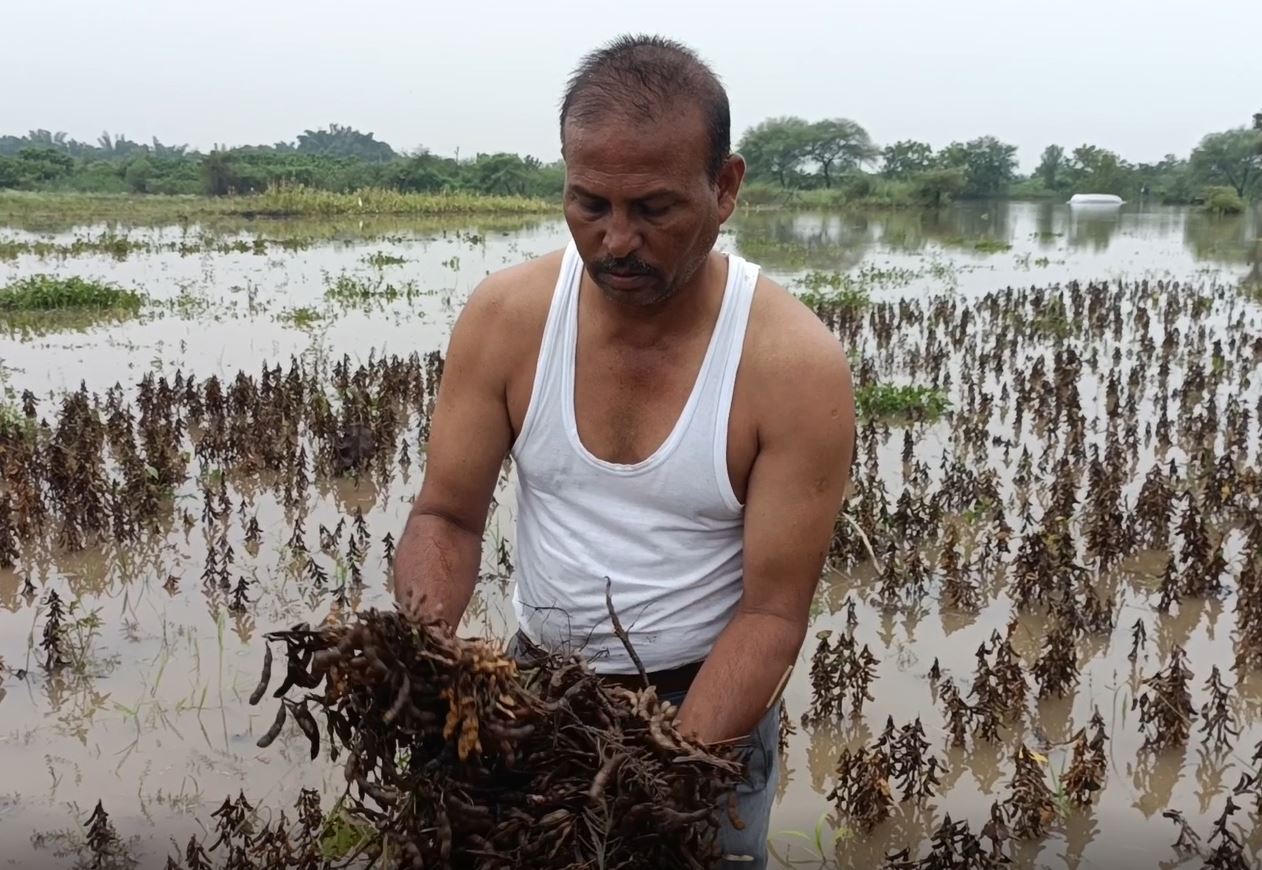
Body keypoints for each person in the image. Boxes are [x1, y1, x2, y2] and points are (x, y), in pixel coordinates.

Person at [393, 33, 856, 868]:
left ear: (725, 188)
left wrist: (661, 770)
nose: (614, 241)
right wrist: (429, 662)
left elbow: (772, 613)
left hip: (708, 701)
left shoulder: (791, 365)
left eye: (653, 209)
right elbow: (448, 515)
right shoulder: (508, 319)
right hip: (537, 689)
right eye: (589, 205)